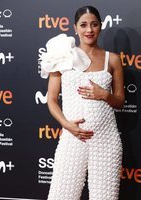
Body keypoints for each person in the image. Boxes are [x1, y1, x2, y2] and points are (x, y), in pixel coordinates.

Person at [40, 5, 125, 200]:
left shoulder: (112, 60)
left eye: (94, 24)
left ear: (100, 27)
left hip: (106, 140)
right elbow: (52, 100)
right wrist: (66, 124)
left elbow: (120, 100)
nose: (89, 30)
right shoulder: (62, 57)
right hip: (72, 137)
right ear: (75, 28)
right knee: (61, 196)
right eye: (84, 25)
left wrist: (104, 94)